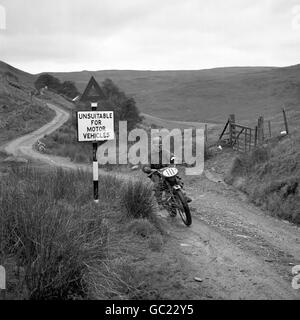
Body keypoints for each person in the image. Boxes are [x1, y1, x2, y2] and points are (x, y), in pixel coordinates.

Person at [142, 136, 192, 205]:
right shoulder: (150, 155)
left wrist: (177, 160)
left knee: (176, 179)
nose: (159, 147)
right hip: (155, 172)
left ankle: (183, 195)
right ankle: (160, 201)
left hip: (166, 170)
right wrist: (146, 168)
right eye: (157, 145)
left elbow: (172, 156)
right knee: (158, 184)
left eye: (160, 145)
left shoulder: (165, 152)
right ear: (153, 146)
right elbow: (145, 164)